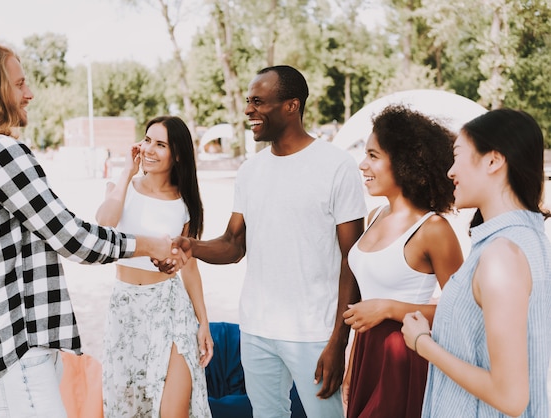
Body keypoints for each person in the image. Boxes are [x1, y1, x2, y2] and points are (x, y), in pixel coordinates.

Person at [0, 40, 183, 418]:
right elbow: (73, 237)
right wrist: (151, 245)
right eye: (19, 84)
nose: (29, 93)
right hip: (18, 344)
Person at [161, 65, 367, 417]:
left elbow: (353, 259)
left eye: (258, 101)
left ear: (291, 105)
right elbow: (233, 243)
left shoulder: (337, 166)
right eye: (247, 101)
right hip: (256, 330)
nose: (248, 110)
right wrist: (192, 246)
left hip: (313, 333)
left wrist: (339, 340)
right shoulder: (250, 171)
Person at [402, 108, 551, 417]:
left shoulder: (502, 256)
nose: (450, 171)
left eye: (458, 156)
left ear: (493, 161)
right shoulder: (520, 241)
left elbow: (510, 397)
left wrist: (423, 344)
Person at [341, 105, 463, 417]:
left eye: (373, 155)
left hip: (404, 356)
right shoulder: (374, 216)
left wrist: (389, 308)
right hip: (368, 354)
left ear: (405, 163)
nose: (362, 164)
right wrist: (352, 367)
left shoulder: (433, 230)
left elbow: (463, 313)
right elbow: (364, 307)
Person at [96, 116, 213, 417]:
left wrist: (204, 322)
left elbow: (189, 267)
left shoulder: (185, 204)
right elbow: (104, 224)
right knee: (131, 409)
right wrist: (126, 173)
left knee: (173, 412)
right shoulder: (123, 187)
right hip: (126, 309)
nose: (149, 148)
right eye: (147, 140)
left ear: (177, 155)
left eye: (160, 144)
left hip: (170, 309)